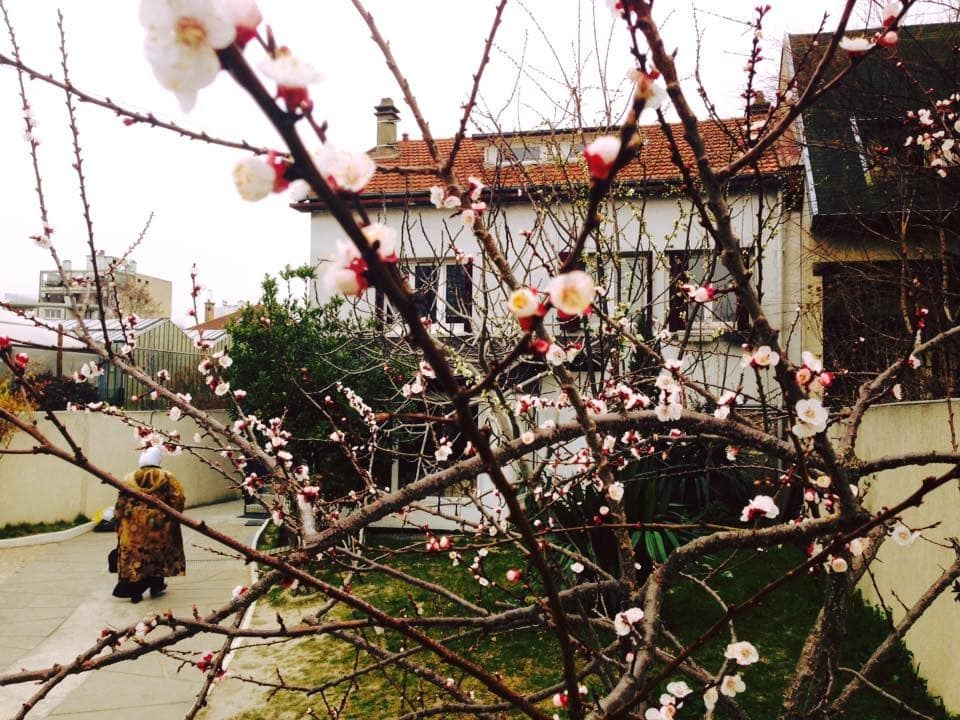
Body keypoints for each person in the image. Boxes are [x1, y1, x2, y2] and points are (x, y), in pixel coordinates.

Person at [112, 446, 186, 603]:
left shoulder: (128, 478)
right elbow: (178, 498)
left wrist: (119, 524)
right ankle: (155, 585)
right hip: (159, 526)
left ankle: (135, 590)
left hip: (131, 527)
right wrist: (173, 518)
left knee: (136, 557)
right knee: (157, 556)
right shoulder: (167, 476)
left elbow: (120, 504)